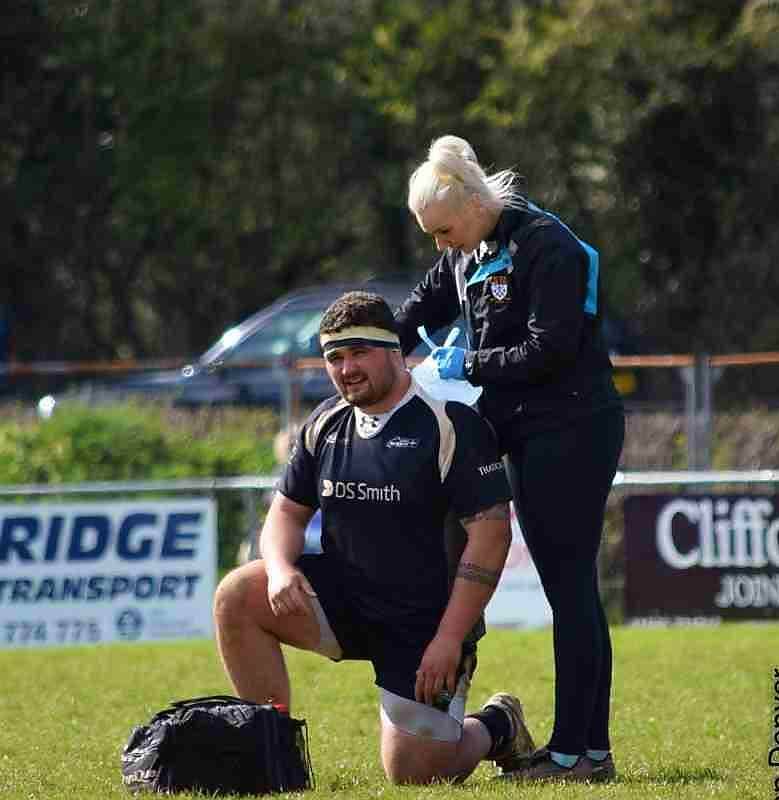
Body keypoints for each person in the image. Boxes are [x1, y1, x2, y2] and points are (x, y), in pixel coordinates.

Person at [214, 290, 537, 785]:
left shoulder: (449, 424)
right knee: (237, 594)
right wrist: (280, 570)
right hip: (343, 600)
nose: (346, 369)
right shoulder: (324, 424)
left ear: (394, 350)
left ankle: (497, 726)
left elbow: (490, 537)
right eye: (334, 358)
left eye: (359, 353)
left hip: (424, 625)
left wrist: (450, 639)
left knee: (413, 775)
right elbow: (285, 515)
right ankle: (271, 757)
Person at [394, 135, 625, 783]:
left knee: (571, 586)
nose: (440, 246)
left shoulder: (546, 246)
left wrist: (466, 362)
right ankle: (581, 751)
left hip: (572, 427)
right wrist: (373, 344)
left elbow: (547, 349)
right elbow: (419, 310)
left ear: (472, 203)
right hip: (518, 429)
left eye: (442, 231)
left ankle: (582, 753)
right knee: (568, 589)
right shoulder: (469, 250)